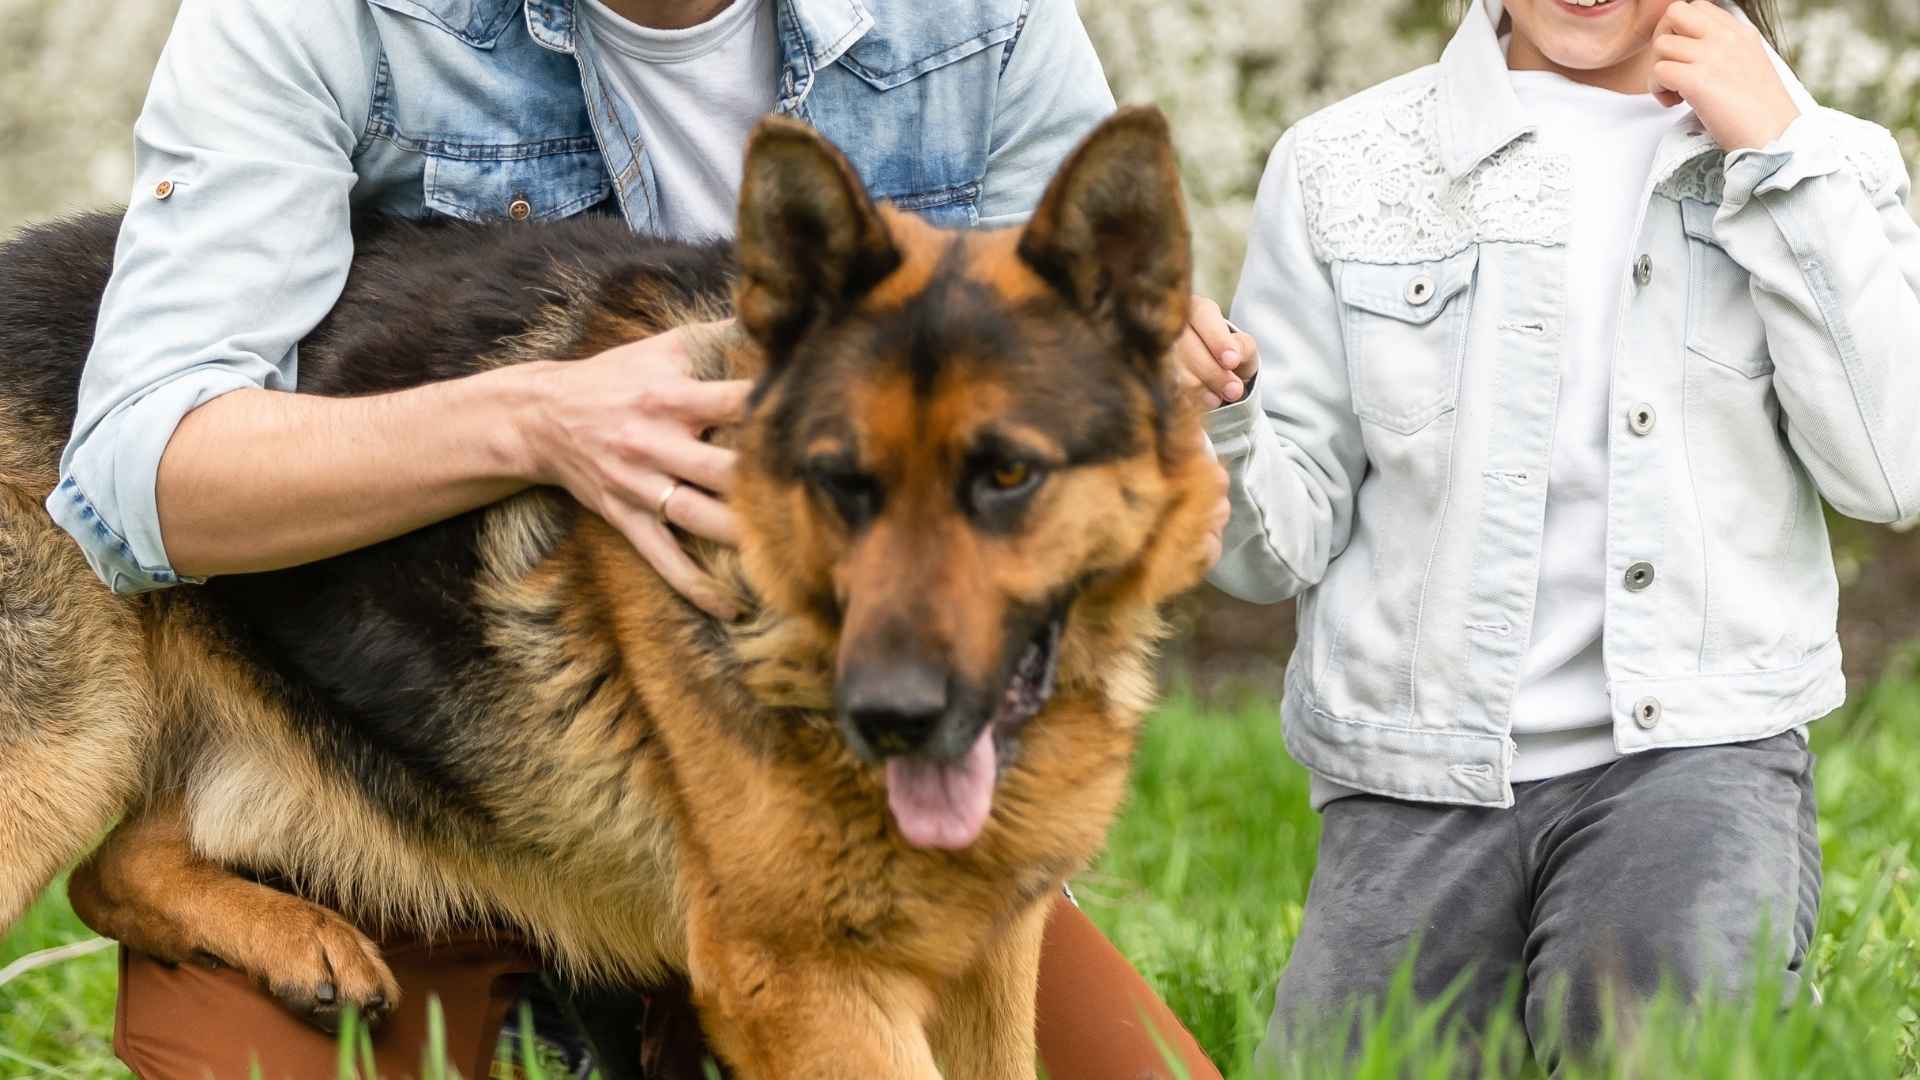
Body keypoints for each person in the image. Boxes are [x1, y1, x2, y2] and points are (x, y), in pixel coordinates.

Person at [57, 0, 1246, 1074]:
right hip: (349, 709)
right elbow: (123, 472)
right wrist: (532, 422)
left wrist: (1173, 393)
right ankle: (184, 878)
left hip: (805, 653)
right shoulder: (318, 21)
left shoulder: (976, 25)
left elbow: (1112, 391)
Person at [1178, 0, 1918, 1068]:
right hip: (1415, 777)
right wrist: (1217, 416)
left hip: (1693, 760)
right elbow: (1269, 554)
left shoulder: (1825, 158)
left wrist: (1782, 158)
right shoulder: (1345, 164)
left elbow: (1893, 470)